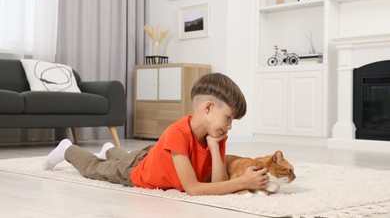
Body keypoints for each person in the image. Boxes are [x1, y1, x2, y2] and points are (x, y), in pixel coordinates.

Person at [43, 73, 269, 195]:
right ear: (208, 108)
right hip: (137, 171)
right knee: (96, 169)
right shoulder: (178, 134)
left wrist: (213, 147)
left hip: (153, 156)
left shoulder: (216, 134)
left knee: (129, 156)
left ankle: (110, 150)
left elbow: (218, 183)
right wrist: (243, 182)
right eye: (228, 118)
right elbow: (194, 189)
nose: (230, 126)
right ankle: (67, 149)